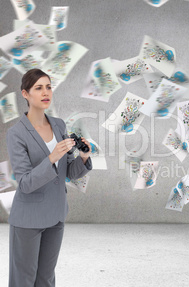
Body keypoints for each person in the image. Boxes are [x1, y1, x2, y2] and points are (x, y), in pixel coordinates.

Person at [6, 68, 92, 287]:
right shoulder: (16, 133)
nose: (46, 92)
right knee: (23, 280)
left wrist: (83, 157)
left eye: (48, 87)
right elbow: (25, 183)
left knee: (46, 279)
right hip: (28, 218)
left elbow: (67, 173)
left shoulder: (59, 125)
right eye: (38, 88)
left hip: (56, 215)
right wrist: (52, 157)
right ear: (25, 94)